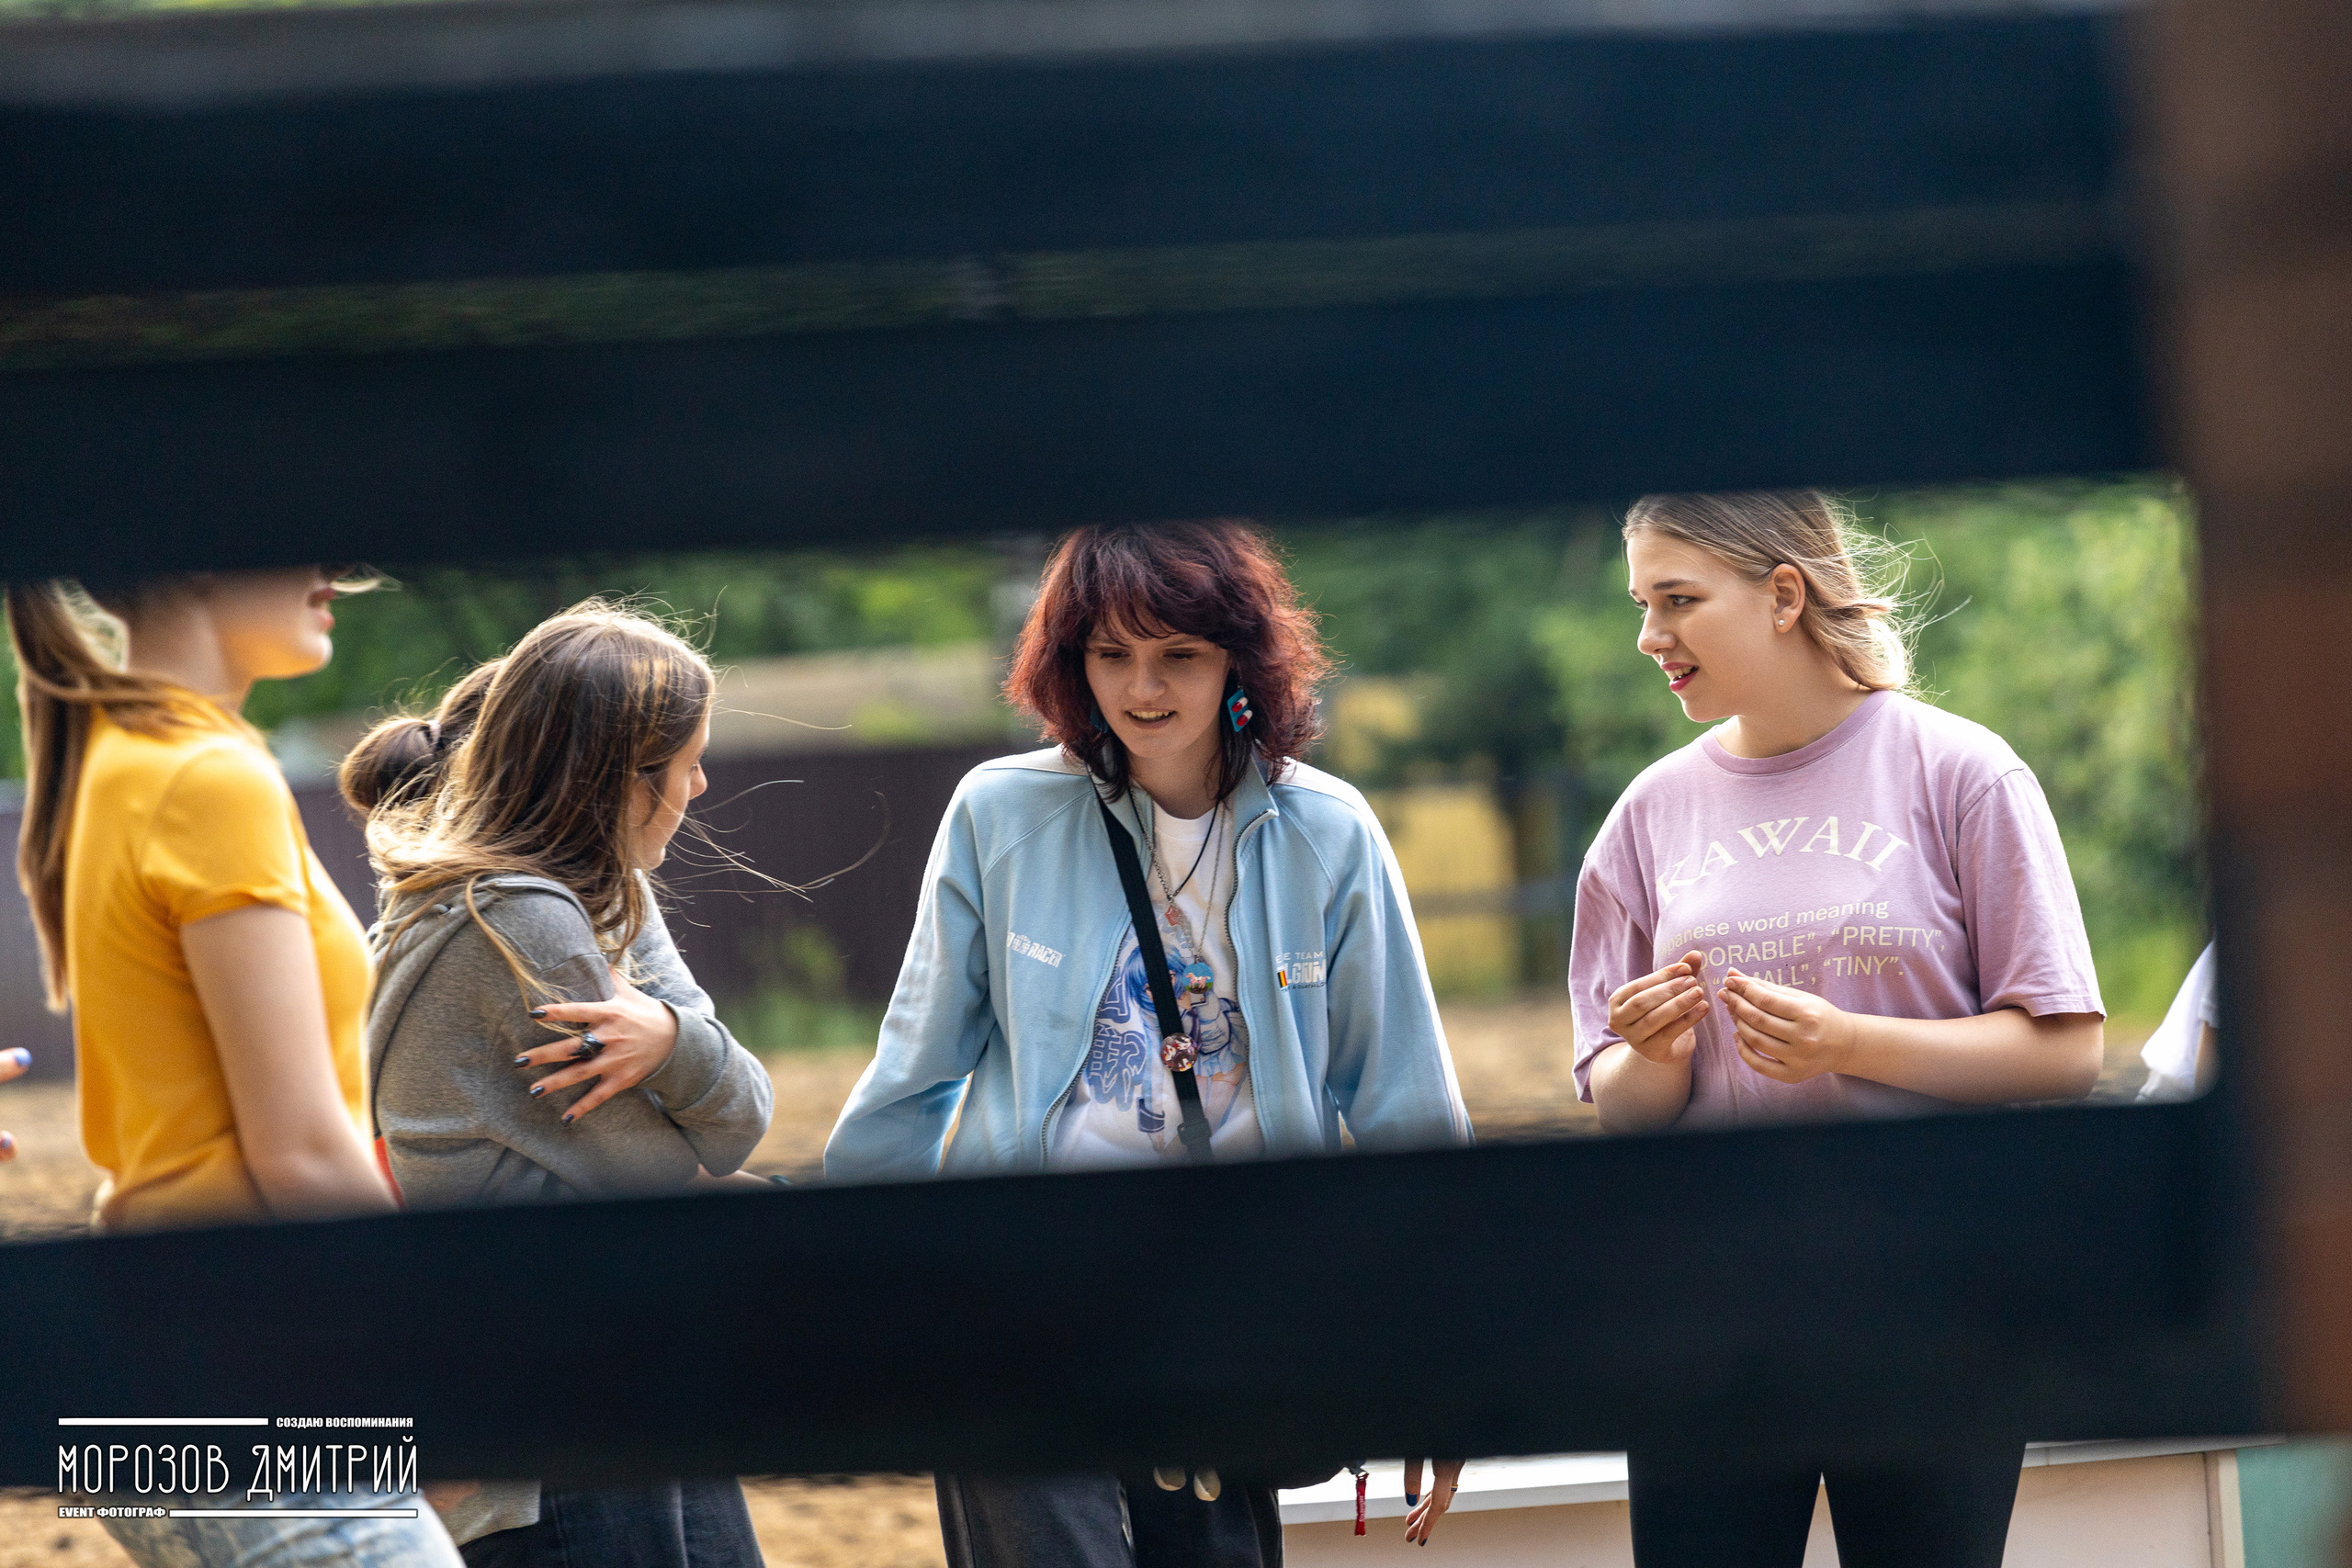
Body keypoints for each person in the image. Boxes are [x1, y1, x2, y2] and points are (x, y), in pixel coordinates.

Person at [826, 519, 1474, 1568]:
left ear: (1239, 664)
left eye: (1179, 653)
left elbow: (1408, 1107)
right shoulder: (999, 813)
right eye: (1112, 654)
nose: (1144, 688)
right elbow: (914, 1069)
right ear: (1071, 666)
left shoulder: (1331, 834)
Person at [1566, 491, 2106, 1568]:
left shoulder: (1963, 772)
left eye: (1677, 599)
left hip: (1937, 1301)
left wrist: (1849, 1044)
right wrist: (1656, 1051)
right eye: (1641, 603)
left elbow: (2067, 1051)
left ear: (1781, 595)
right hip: (1706, 1317)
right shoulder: (1646, 814)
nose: (1648, 636)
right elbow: (1616, 1097)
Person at [6, 570, 463, 1565]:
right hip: (253, 1368)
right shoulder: (207, 775)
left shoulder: (127, 758)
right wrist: (455, 1334)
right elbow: (297, 1150)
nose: (334, 574)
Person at [358, 601, 773, 1568]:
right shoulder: (521, 924)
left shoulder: (554, 893)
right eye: (686, 761)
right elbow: (705, 1150)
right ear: (623, 780)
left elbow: (734, 1114)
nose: (700, 785)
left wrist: (669, 1035)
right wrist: (690, 1062)